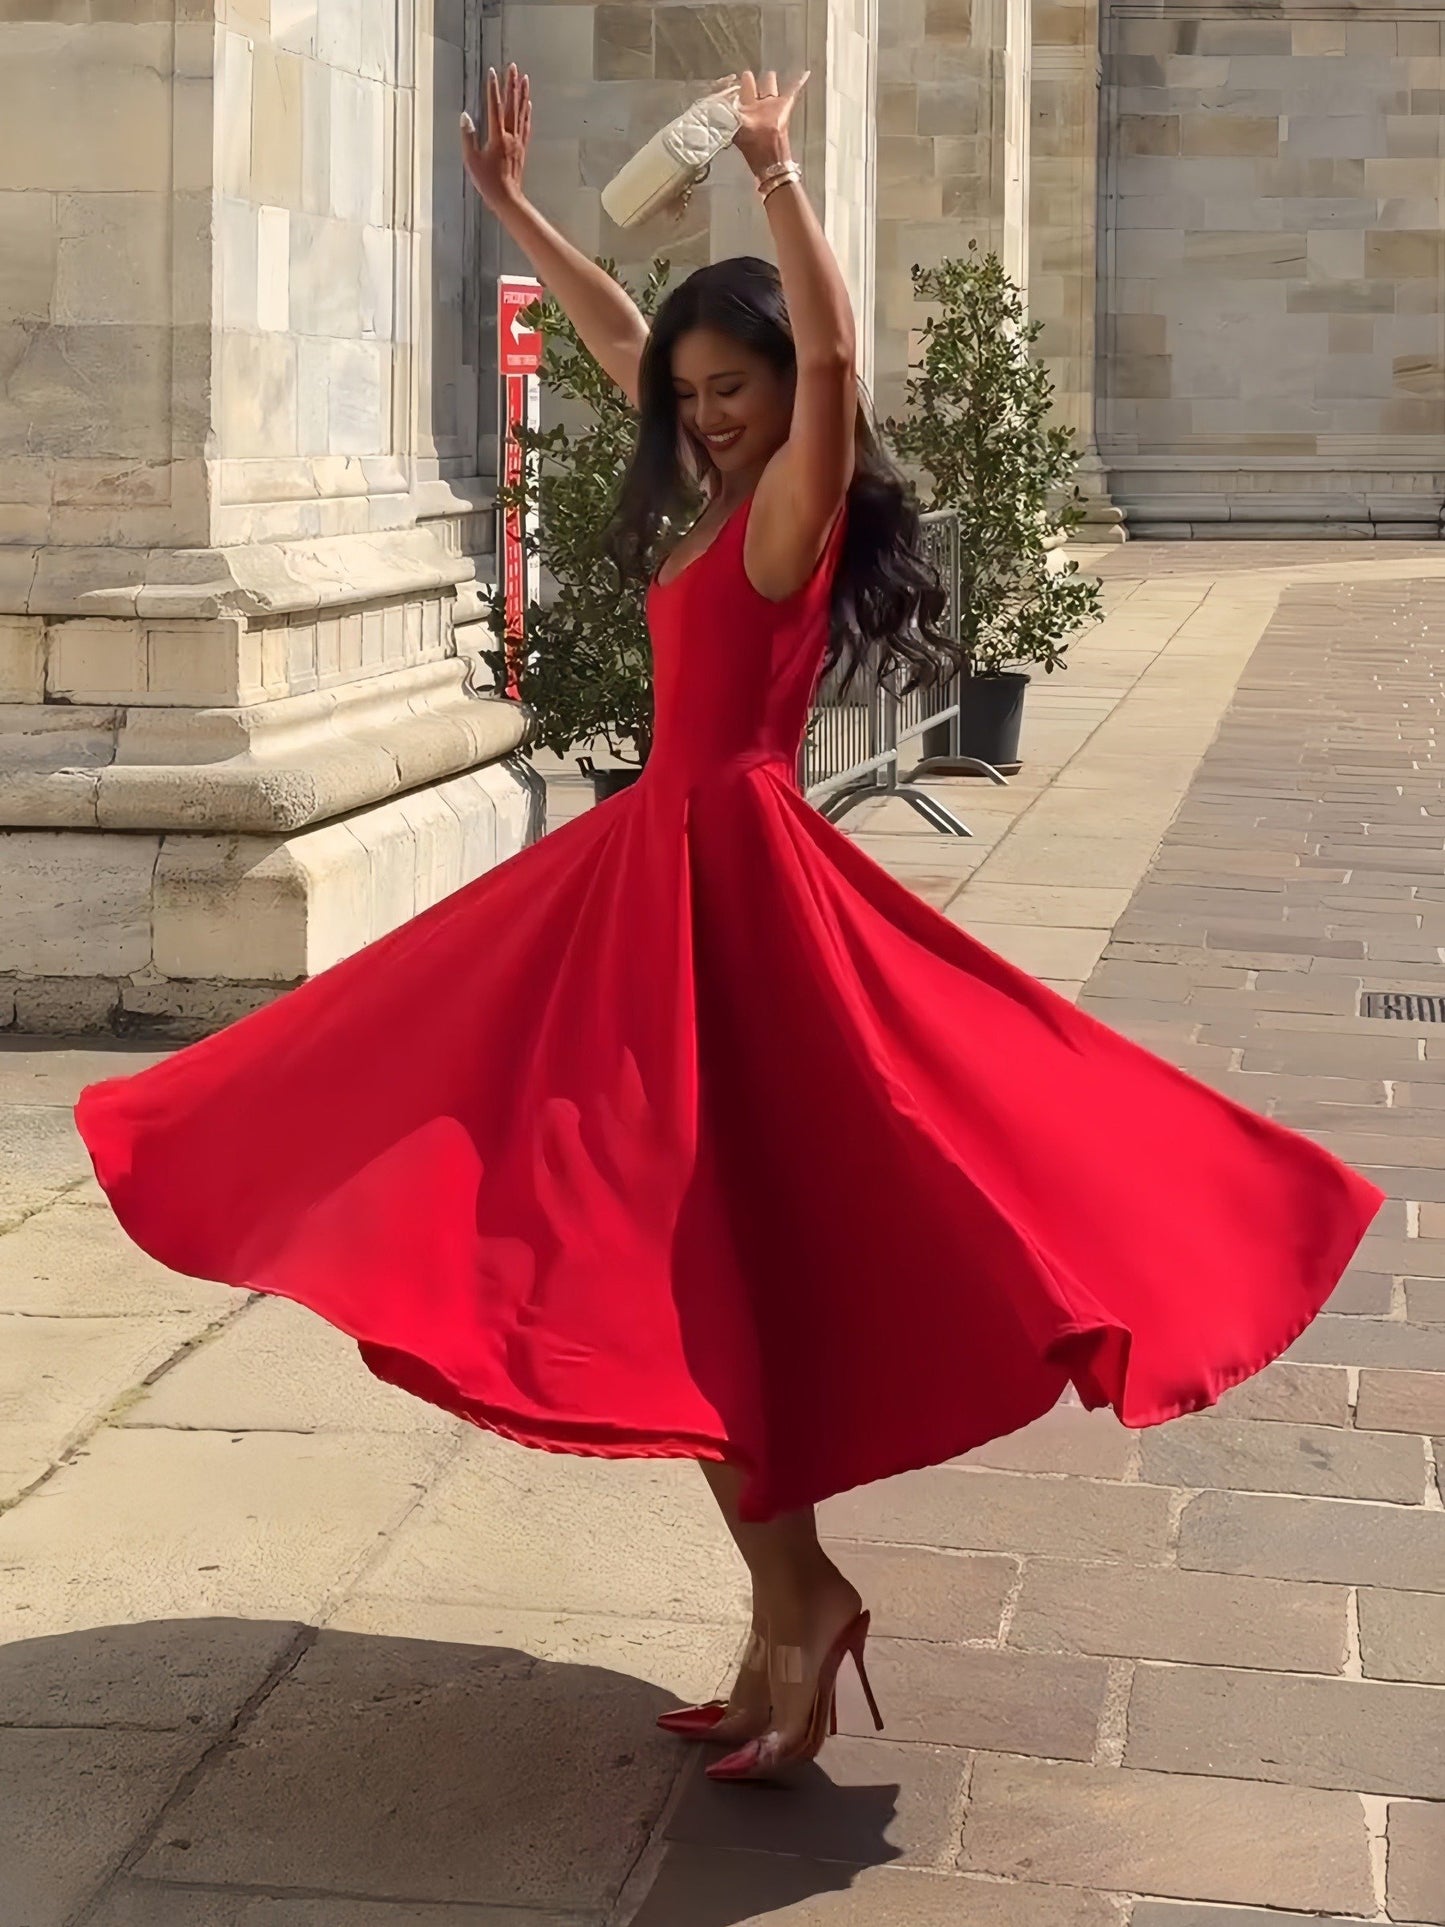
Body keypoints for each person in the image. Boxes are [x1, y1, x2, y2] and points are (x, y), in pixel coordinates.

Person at [77, 67, 1384, 1788]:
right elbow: (622, 340)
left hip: (731, 894)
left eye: (730, 387)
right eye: (689, 393)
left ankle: (798, 1602)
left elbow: (833, 364)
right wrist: (513, 211)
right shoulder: (711, 488)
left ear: (779, 391)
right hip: (652, 879)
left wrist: (774, 174)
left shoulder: (787, 504)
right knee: (671, 1261)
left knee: (713, 1253)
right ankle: (792, 1605)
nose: (700, 412)